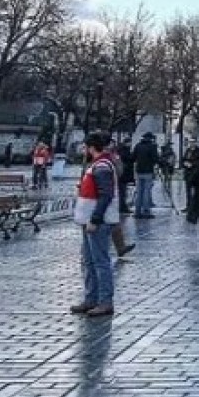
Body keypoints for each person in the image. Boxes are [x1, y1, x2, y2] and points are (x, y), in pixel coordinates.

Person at [69, 132, 119, 317]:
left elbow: (105, 195)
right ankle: (91, 298)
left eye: (85, 147)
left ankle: (105, 302)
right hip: (88, 219)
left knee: (100, 262)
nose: (83, 150)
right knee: (89, 261)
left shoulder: (102, 166)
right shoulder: (97, 165)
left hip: (97, 220)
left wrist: (95, 219)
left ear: (91, 147)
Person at [132, 133, 159, 218]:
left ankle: (137, 211)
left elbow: (133, 157)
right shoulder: (152, 146)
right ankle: (146, 210)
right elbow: (155, 159)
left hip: (139, 171)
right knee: (147, 191)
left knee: (139, 191)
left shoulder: (138, 146)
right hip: (148, 171)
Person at [181, 140, 199, 212]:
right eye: (190, 142)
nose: (191, 144)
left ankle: (196, 206)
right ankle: (189, 206)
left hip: (196, 173)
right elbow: (183, 159)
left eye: (193, 142)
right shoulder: (187, 150)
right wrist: (184, 163)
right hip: (188, 173)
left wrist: (192, 164)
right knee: (188, 191)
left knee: (197, 191)